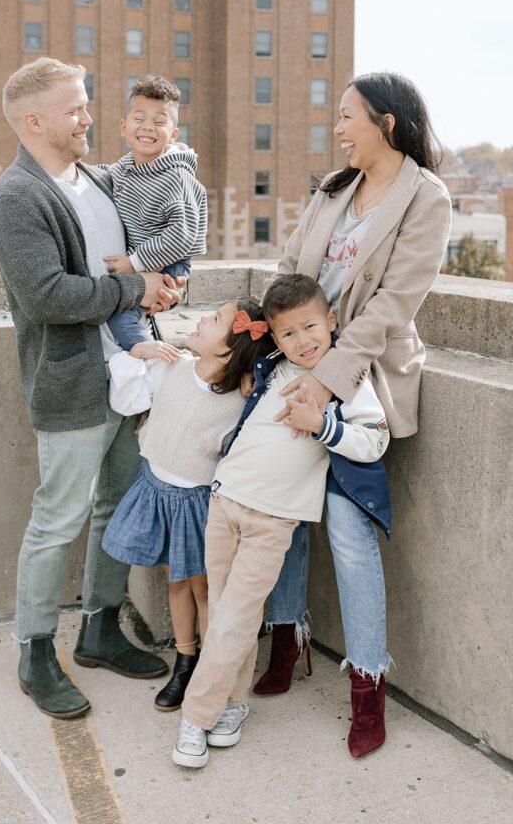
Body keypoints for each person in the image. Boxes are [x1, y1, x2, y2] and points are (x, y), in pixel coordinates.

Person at [256, 71, 452, 759]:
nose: (336, 128)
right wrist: (261, 335)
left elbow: (393, 305)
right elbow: (288, 270)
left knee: (345, 529)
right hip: (295, 364)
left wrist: (327, 383)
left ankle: (367, 683)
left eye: (347, 117)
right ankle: (288, 636)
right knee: (276, 509)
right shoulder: (332, 188)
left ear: (387, 122)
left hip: (362, 380)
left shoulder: (424, 199)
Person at [0, 56, 182, 720]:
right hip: (71, 385)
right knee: (56, 521)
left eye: (87, 103)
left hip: (129, 376)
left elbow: (145, 250)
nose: (88, 117)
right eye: (74, 108)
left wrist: (161, 285)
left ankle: (99, 629)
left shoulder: (97, 181)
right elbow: (46, 296)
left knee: (115, 510)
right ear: (34, 120)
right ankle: (35, 652)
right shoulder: (16, 197)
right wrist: (135, 288)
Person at [172, 275, 390, 769]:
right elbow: (226, 345)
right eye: (288, 332)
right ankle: (231, 704)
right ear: (273, 334)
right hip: (224, 500)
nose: (303, 341)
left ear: (332, 321)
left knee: (237, 614)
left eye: (311, 327)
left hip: (274, 519)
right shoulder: (270, 364)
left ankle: (196, 716)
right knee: (227, 611)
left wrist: (323, 427)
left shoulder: (345, 379)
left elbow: (375, 441)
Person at [100, 300, 275, 712]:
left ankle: (211, 668)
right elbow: (127, 401)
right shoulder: (171, 367)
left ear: (229, 350)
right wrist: (137, 353)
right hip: (157, 490)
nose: (200, 320)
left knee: (205, 587)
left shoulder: (239, 401)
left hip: (199, 503)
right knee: (175, 579)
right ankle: (185, 657)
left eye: (214, 320)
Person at [103, 75, 207, 351]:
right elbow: (104, 176)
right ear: (124, 127)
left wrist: (134, 264)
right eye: (139, 119)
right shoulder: (125, 168)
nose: (148, 127)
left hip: (168, 261)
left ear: (173, 134)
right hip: (144, 257)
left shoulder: (176, 175)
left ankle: (150, 357)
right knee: (125, 311)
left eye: (159, 122)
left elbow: (182, 235)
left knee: (122, 316)